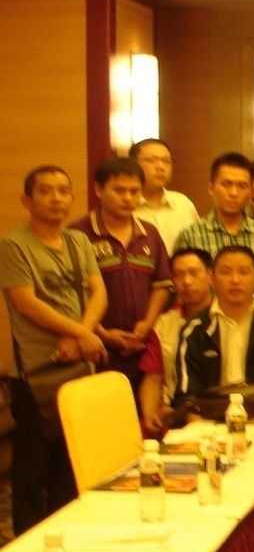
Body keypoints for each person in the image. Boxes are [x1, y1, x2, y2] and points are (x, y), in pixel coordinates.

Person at [0, 165, 107, 533]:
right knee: (32, 470)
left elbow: (99, 292)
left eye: (63, 190)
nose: (56, 198)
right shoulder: (13, 245)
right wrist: (81, 334)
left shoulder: (78, 241)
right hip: (35, 373)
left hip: (78, 368)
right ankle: (26, 542)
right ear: (27, 200)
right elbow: (26, 302)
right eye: (46, 191)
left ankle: (67, 535)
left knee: (71, 463)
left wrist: (82, 337)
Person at [69, 157, 171, 389]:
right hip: (96, 349)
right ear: (98, 189)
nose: (127, 198)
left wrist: (147, 323)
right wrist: (102, 333)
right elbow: (72, 295)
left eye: (134, 191)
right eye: (119, 190)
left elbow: (162, 284)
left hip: (143, 348)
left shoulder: (150, 233)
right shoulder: (77, 234)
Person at [173, 245, 254, 403]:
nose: (235, 280)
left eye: (243, 272)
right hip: (210, 413)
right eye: (226, 272)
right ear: (211, 279)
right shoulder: (194, 329)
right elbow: (186, 392)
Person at [139, 247, 213, 435]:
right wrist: (150, 413)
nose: (186, 281)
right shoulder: (164, 324)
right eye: (179, 275)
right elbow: (153, 376)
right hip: (176, 414)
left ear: (210, 276)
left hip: (219, 410)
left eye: (194, 273)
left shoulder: (226, 316)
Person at [174, 152, 254, 265]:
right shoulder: (190, 236)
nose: (234, 193)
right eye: (226, 184)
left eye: (242, 186)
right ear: (211, 188)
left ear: (251, 191)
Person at [130, 137, 200, 254]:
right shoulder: (126, 206)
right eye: (151, 160)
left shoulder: (183, 204)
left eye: (166, 161)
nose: (160, 167)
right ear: (133, 164)